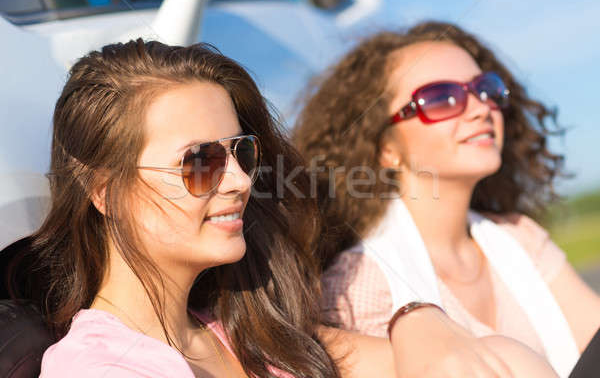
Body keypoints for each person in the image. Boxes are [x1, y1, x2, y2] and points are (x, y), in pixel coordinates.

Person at [7, 39, 556, 378]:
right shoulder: (103, 368)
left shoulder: (243, 330)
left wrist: (420, 318)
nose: (241, 181)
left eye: (240, 152)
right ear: (103, 191)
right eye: (199, 161)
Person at [293, 21, 600, 377]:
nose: (480, 109)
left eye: (486, 89)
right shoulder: (357, 286)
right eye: (440, 98)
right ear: (386, 149)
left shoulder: (519, 237)